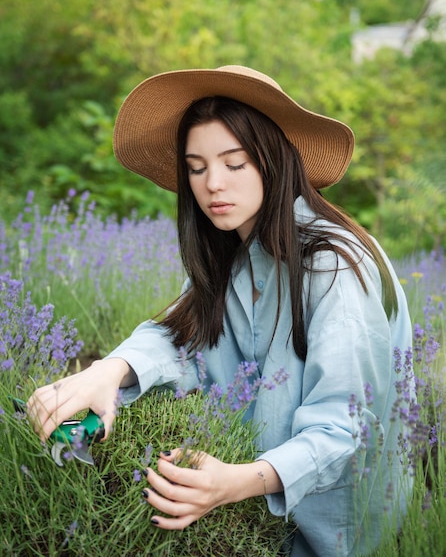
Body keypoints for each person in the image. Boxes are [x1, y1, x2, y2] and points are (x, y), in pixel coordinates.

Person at [28, 65, 414, 556]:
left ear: (272, 160)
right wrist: (109, 371)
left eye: (235, 163)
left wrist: (231, 483)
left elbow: (343, 430)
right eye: (196, 166)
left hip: (339, 531)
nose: (212, 184)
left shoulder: (333, 267)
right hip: (256, 516)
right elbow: (182, 331)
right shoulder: (233, 250)